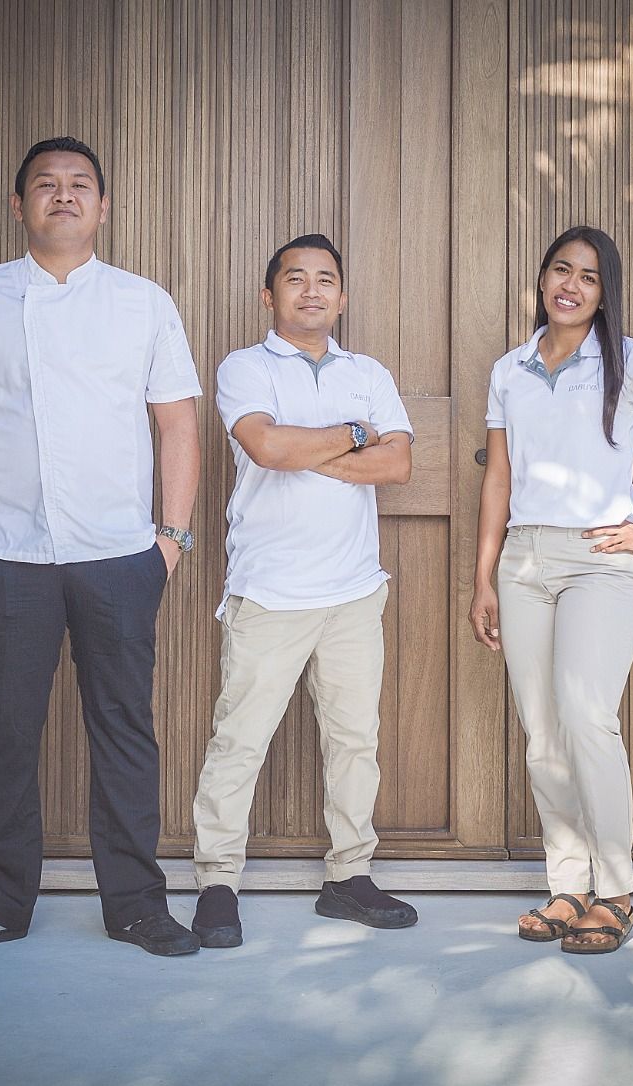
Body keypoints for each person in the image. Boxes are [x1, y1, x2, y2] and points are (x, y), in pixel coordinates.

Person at [0, 137, 204, 958]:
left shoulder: (143, 302)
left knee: (124, 729)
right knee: (4, 729)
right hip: (7, 556)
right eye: (46, 184)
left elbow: (177, 423)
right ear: (18, 205)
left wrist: (170, 540)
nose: (63, 195)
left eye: (80, 185)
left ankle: (137, 906)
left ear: (103, 207)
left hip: (121, 554)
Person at [469, 225, 633, 954]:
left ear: (605, 292)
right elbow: (499, 477)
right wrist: (484, 575)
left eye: (588, 276)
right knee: (543, 733)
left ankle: (614, 891)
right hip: (523, 561)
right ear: (542, 278)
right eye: (561, 270)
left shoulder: (629, 361)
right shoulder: (510, 369)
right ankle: (567, 885)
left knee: (586, 716)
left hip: (598, 562)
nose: (571, 285)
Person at [188, 234, 419, 948]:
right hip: (270, 592)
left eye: (325, 280)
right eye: (296, 279)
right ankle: (217, 884)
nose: (311, 290)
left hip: (354, 592)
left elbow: (398, 465)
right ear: (270, 295)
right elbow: (266, 447)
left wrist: (308, 449)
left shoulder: (368, 372)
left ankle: (349, 876)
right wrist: (352, 434)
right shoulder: (245, 367)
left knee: (355, 742)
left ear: (341, 297)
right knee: (239, 741)